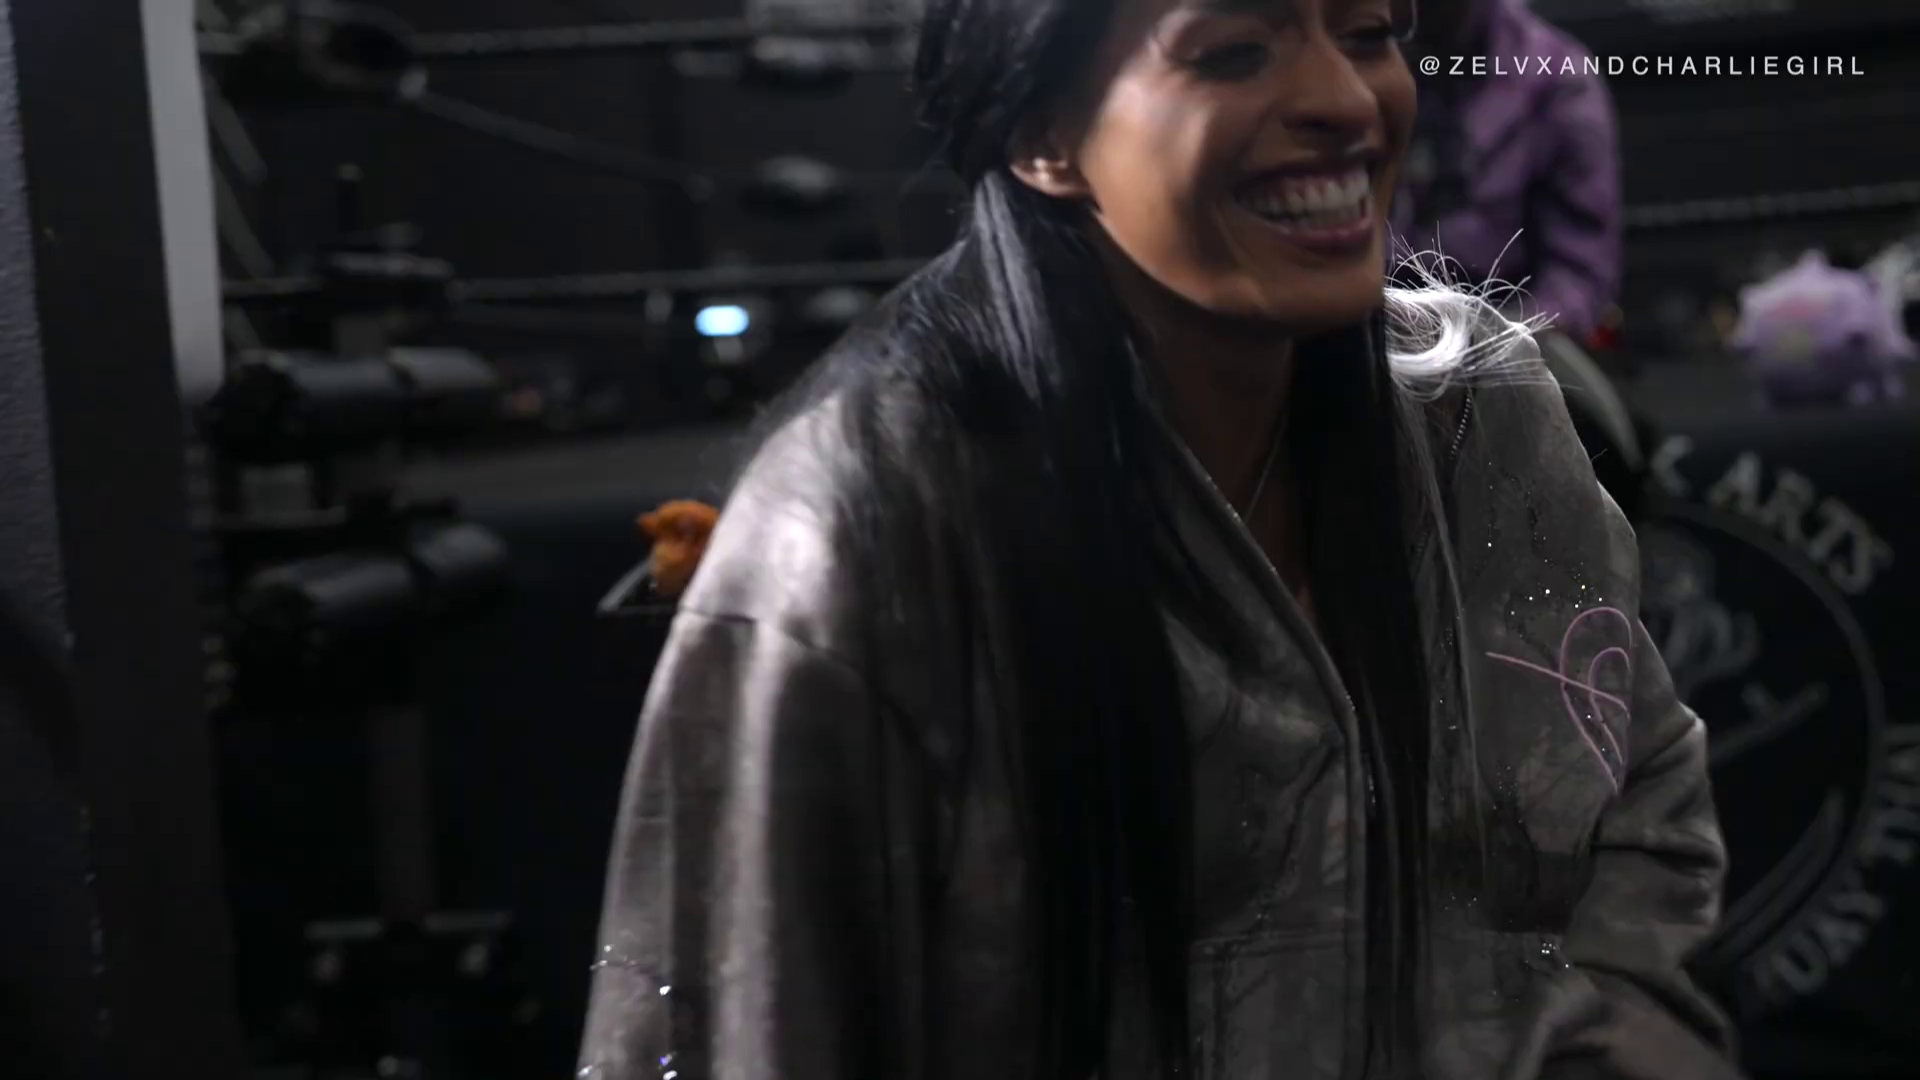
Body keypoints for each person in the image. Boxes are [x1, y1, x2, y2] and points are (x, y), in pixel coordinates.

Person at [577, 0, 1738, 1077]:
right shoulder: (855, 534)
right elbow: (736, 1031)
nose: (1345, 98)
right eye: (1235, 51)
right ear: (1043, 132)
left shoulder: (1478, 414)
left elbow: (1639, 814)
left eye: (1369, 31)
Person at [1391, 0, 1623, 343]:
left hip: (1505, 335)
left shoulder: (1558, 80)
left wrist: (1494, 341)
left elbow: (1579, 276)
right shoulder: (1364, 63)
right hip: (1379, 328)